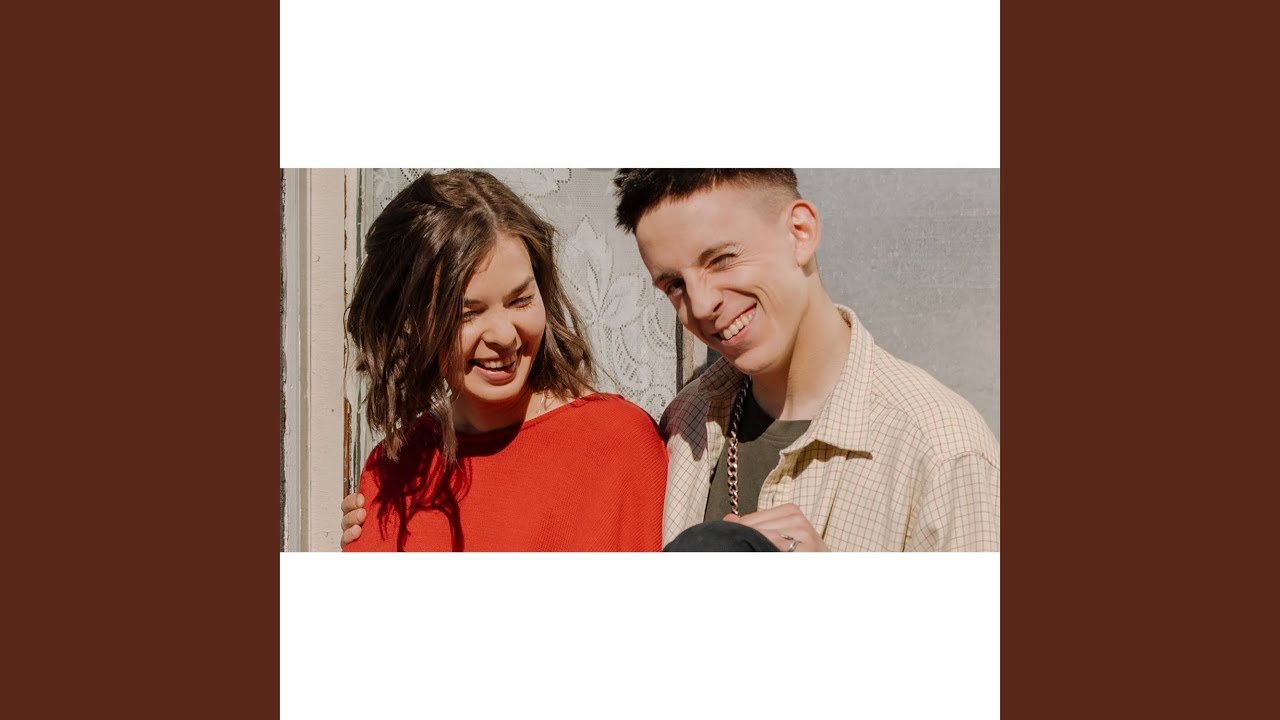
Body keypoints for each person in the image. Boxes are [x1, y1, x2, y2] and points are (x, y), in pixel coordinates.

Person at [343, 169, 999, 552]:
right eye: (674, 285)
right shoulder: (688, 424)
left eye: (723, 259)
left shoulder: (944, 450)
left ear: (800, 231)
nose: (704, 304)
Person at [338, 169, 666, 551]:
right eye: (468, 313)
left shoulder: (619, 446)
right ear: (411, 323)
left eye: (521, 300)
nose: (504, 336)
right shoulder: (394, 471)